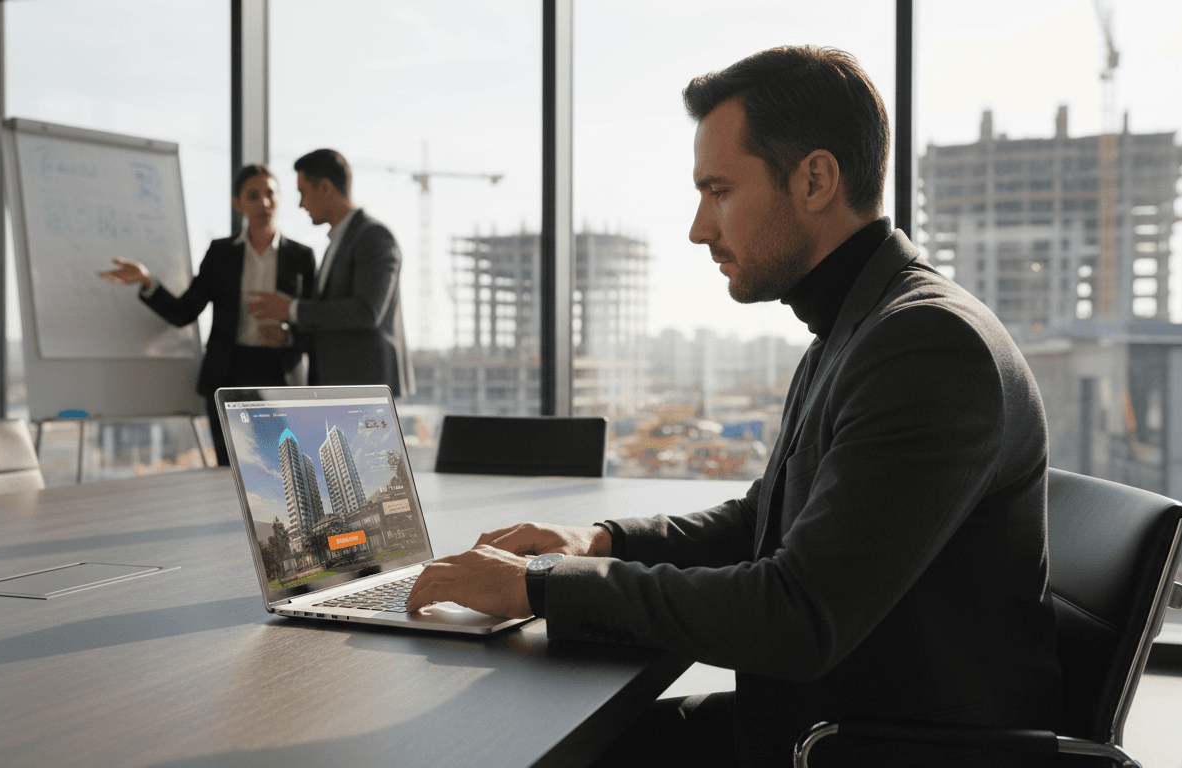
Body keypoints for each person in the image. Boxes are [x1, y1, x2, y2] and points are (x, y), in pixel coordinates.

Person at [405, 46, 1061, 767]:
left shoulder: (925, 344)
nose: (698, 228)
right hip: (833, 720)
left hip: (871, 746)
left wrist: (541, 587)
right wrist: (595, 542)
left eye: (718, 191)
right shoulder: (861, 325)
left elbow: (797, 614)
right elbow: (762, 521)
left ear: (814, 179)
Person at [99, 164, 315, 466]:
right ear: (238, 203)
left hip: (278, 372)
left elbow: (314, 322)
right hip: (228, 372)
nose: (264, 203)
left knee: (281, 472)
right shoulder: (221, 253)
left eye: (270, 194)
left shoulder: (301, 257)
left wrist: (288, 335)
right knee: (229, 472)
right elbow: (184, 312)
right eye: (253, 196)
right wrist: (148, 281)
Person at [246, 149, 414, 396]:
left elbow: (367, 312)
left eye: (303, 192)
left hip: (365, 389)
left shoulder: (374, 237)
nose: (301, 204)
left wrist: (291, 309)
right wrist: (289, 337)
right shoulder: (336, 243)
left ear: (324, 187)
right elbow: (333, 322)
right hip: (340, 386)